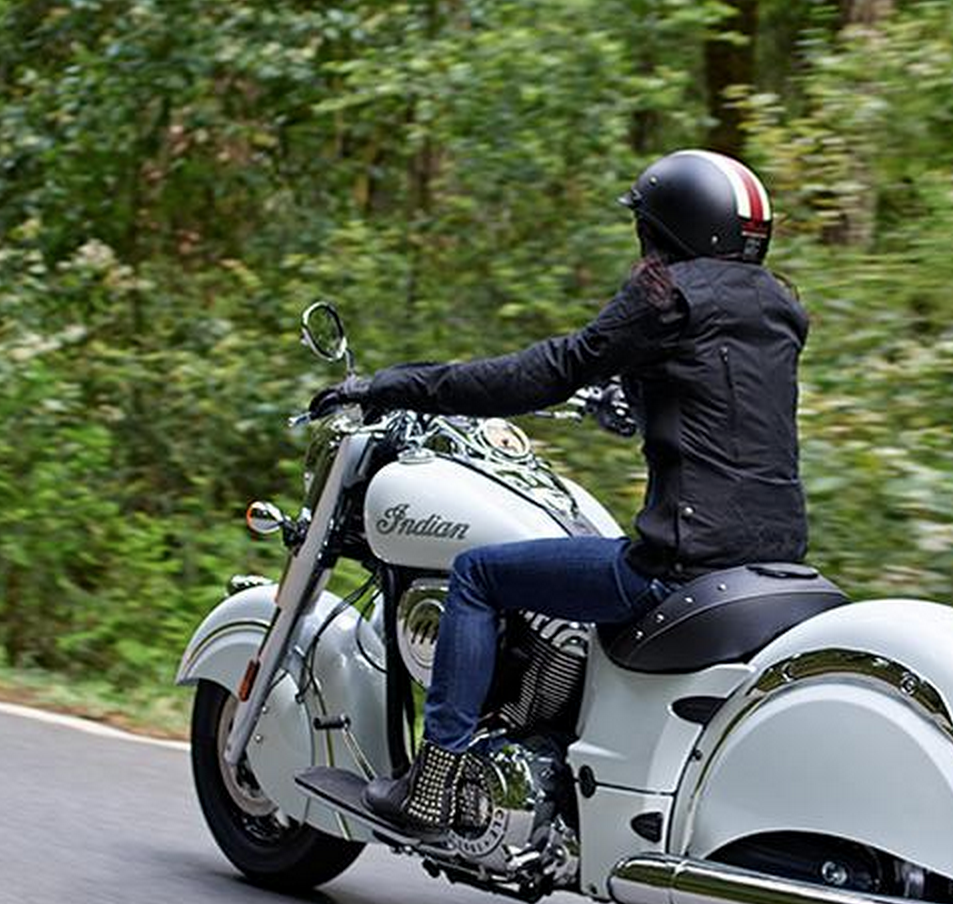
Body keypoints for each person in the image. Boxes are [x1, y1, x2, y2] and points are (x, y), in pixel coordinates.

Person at [307, 149, 809, 839]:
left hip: (680, 564)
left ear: (663, 231)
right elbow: (719, 400)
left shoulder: (668, 296)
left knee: (477, 574)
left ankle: (431, 785)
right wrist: (632, 396)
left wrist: (395, 385)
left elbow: (540, 373)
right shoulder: (777, 308)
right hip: (776, 563)